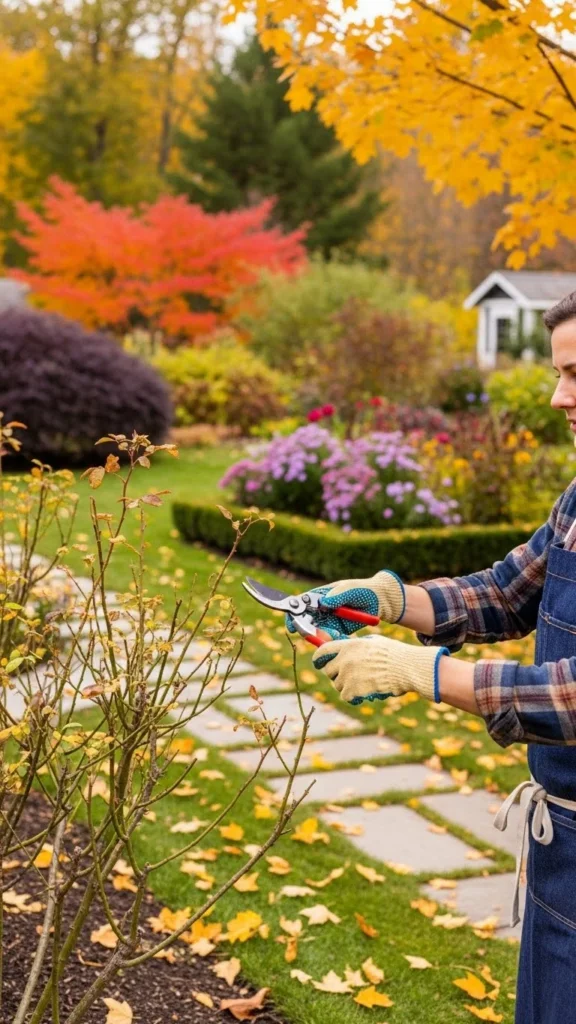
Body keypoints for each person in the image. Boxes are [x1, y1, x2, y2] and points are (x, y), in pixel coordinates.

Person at [302, 291, 576, 1024]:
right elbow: (508, 592)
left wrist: (418, 671)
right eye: (558, 373)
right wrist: (391, 599)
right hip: (561, 842)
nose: (558, 397)